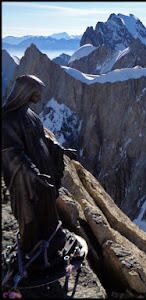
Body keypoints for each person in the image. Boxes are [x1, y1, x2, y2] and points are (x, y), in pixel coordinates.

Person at [2, 74, 77, 260]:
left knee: (47, 204)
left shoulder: (29, 112)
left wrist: (60, 150)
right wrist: (33, 174)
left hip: (42, 167)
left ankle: (51, 239)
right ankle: (33, 250)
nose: (41, 96)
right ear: (27, 91)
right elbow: (12, 155)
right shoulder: (8, 120)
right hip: (25, 177)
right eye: (38, 92)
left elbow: (42, 138)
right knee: (31, 210)